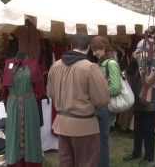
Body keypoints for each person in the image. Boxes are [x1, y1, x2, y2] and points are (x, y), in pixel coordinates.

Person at [47, 35, 110, 167]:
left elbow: (50, 93)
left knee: (66, 163)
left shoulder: (55, 66)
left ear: (71, 46)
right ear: (88, 48)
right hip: (85, 127)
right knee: (87, 163)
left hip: (63, 125)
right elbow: (102, 99)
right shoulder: (90, 67)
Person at [123, 45, 155, 166]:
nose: (139, 51)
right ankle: (136, 153)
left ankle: (149, 157)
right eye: (138, 49)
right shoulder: (139, 60)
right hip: (138, 100)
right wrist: (133, 60)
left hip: (149, 102)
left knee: (148, 131)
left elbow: (148, 80)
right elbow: (129, 73)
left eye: (141, 49)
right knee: (138, 129)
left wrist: (140, 61)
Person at [90, 36, 122, 167]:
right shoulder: (101, 63)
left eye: (96, 50)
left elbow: (115, 88)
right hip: (99, 106)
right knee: (98, 140)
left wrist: (98, 92)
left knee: (102, 140)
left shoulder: (111, 64)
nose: (94, 53)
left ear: (103, 48)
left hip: (105, 107)